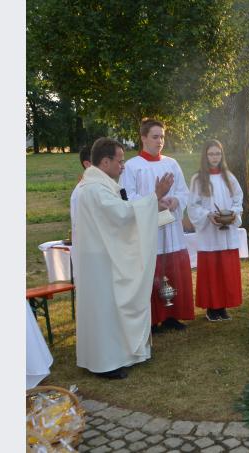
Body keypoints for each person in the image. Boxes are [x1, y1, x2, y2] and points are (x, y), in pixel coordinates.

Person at [72, 137, 174, 379]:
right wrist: (154, 197)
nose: (123, 166)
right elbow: (122, 216)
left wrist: (155, 209)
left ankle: (117, 355)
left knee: (108, 307)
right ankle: (105, 362)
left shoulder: (99, 186)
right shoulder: (94, 190)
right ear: (105, 162)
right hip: (100, 259)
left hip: (102, 254)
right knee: (105, 308)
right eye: (120, 161)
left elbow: (123, 218)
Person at [121, 118, 195, 332]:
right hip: (147, 229)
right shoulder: (132, 166)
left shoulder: (171, 163)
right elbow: (127, 196)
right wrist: (154, 202)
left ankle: (172, 315)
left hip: (171, 227)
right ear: (143, 138)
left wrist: (175, 201)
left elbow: (183, 191)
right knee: (151, 272)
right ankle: (152, 319)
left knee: (172, 268)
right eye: (155, 137)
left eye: (162, 137)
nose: (160, 141)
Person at [188, 140, 244, 321]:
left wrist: (233, 212)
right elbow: (193, 205)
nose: (214, 157)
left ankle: (223, 306)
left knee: (226, 269)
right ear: (205, 156)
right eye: (211, 154)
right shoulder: (198, 179)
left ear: (222, 155)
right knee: (212, 269)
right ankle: (212, 307)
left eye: (218, 154)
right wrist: (207, 215)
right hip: (209, 232)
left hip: (226, 230)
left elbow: (238, 198)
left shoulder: (229, 177)